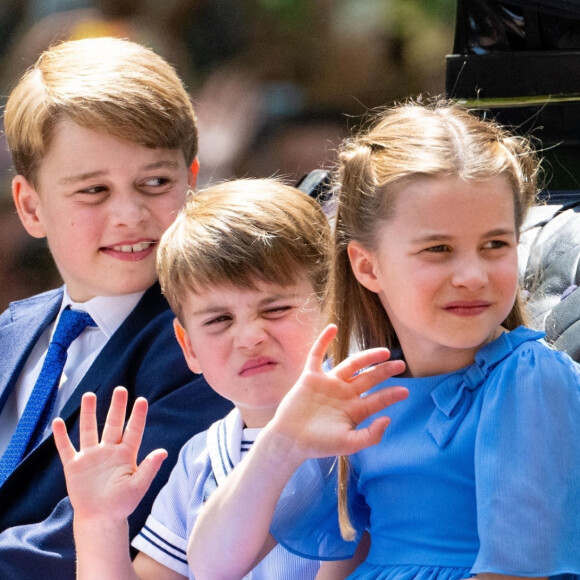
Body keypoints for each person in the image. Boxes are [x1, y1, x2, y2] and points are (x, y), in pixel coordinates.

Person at [187, 98, 580, 580]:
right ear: (368, 266)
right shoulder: (357, 388)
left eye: (495, 245)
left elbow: (516, 572)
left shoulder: (530, 381)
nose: (473, 274)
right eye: (439, 249)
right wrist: (283, 440)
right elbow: (212, 565)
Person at [51, 179, 401, 580]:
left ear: (333, 304)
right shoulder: (200, 459)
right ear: (189, 348)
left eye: (275, 309)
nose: (250, 337)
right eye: (219, 320)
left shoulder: (370, 426)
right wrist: (100, 523)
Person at [0, 36, 232, 578]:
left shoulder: (208, 342)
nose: (129, 214)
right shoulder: (14, 331)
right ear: (31, 207)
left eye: (154, 182)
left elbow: (80, 542)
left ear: (191, 182)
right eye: (93, 191)